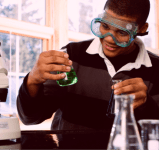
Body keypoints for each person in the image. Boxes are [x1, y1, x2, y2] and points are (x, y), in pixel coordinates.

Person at [17, 0, 159, 131]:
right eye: (104, 26)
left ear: (141, 28)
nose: (109, 38)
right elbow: (30, 118)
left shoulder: (156, 69)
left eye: (122, 32)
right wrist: (32, 80)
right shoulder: (72, 56)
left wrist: (147, 105)